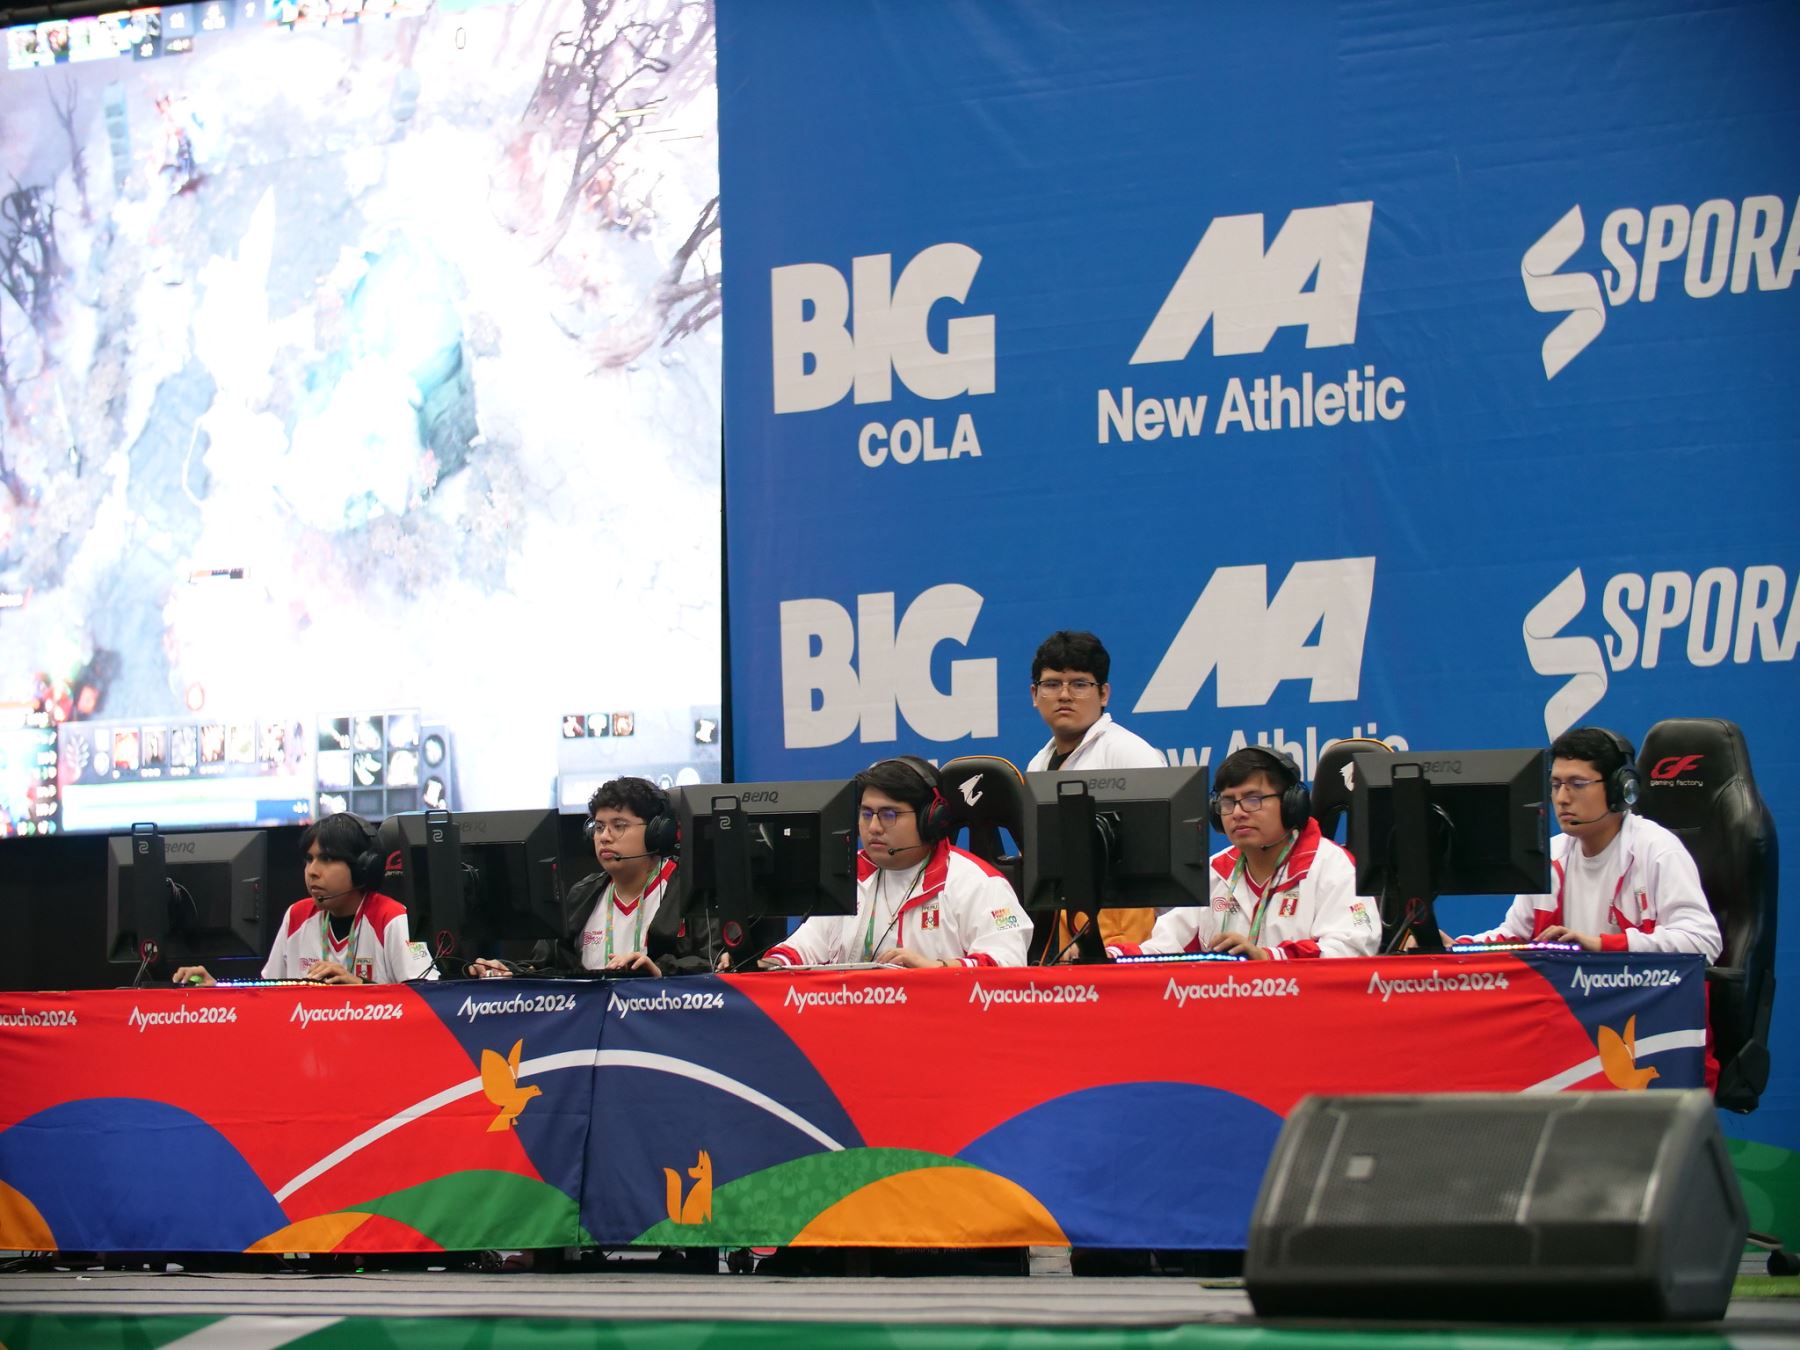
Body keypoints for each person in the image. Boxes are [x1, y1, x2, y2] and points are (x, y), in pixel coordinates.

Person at [1458, 727, 1721, 956]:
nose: (1562, 798)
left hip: (1637, 997)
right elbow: (1513, 938)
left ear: (1620, 789)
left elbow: (1702, 941)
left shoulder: (1657, 850)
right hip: (1573, 996)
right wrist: (1455, 948)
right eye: (1556, 785)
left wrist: (1602, 945)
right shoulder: (1550, 856)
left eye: (1578, 784)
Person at [759, 757, 1032, 969]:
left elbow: (1007, 963)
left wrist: (937, 968)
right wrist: (770, 965)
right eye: (866, 814)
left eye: (889, 815)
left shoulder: (977, 883)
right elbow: (801, 948)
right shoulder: (847, 875)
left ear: (930, 818)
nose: (873, 827)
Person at [1113, 747, 1378, 960]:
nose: (1238, 813)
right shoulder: (1214, 872)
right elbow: (1164, 949)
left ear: (1291, 804)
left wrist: (1269, 959)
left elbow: (1353, 948)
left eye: (1253, 799)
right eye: (1228, 802)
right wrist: (1112, 956)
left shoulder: (1332, 866)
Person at [468, 777, 713, 979]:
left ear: (657, 832)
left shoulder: (692, 890)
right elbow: (544, 965)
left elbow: (715, 962)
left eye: (619, 825)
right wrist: (509, 972)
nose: (604, 837)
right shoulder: (581, 895)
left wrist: (661, 973)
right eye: (598, 827)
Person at [1025, 630, 1163, 959]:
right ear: (1034, 694)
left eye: (1079, 684)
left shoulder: (1129, 753)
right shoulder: (1038, 763)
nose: (1064, 695)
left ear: (1103, 694)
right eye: (1052, 684)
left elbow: (1162, 861)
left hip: (1131, 937)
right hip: (1066, 930)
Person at [173, 812, 434, 985]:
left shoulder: (392, 918)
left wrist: (360, 987)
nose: (312, 871)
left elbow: (427, 998)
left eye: (327, 859)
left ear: (363, 867)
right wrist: (216, 988)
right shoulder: (297, 915)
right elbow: (267, 994)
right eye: (309, 859)